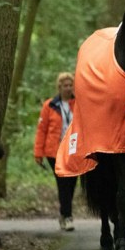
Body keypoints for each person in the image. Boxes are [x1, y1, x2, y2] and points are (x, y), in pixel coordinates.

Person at [34, 72, 78, 231]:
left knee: (72, 183)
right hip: (55, 151)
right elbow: (41, 130)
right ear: (59, 87)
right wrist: (38, 153)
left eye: (70, 85)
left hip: (74, 150)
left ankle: (64, 213)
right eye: (64, 85)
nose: (68, 88)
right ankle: (67, 216)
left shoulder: (78, 103)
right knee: (63, 182)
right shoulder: (50, 105)